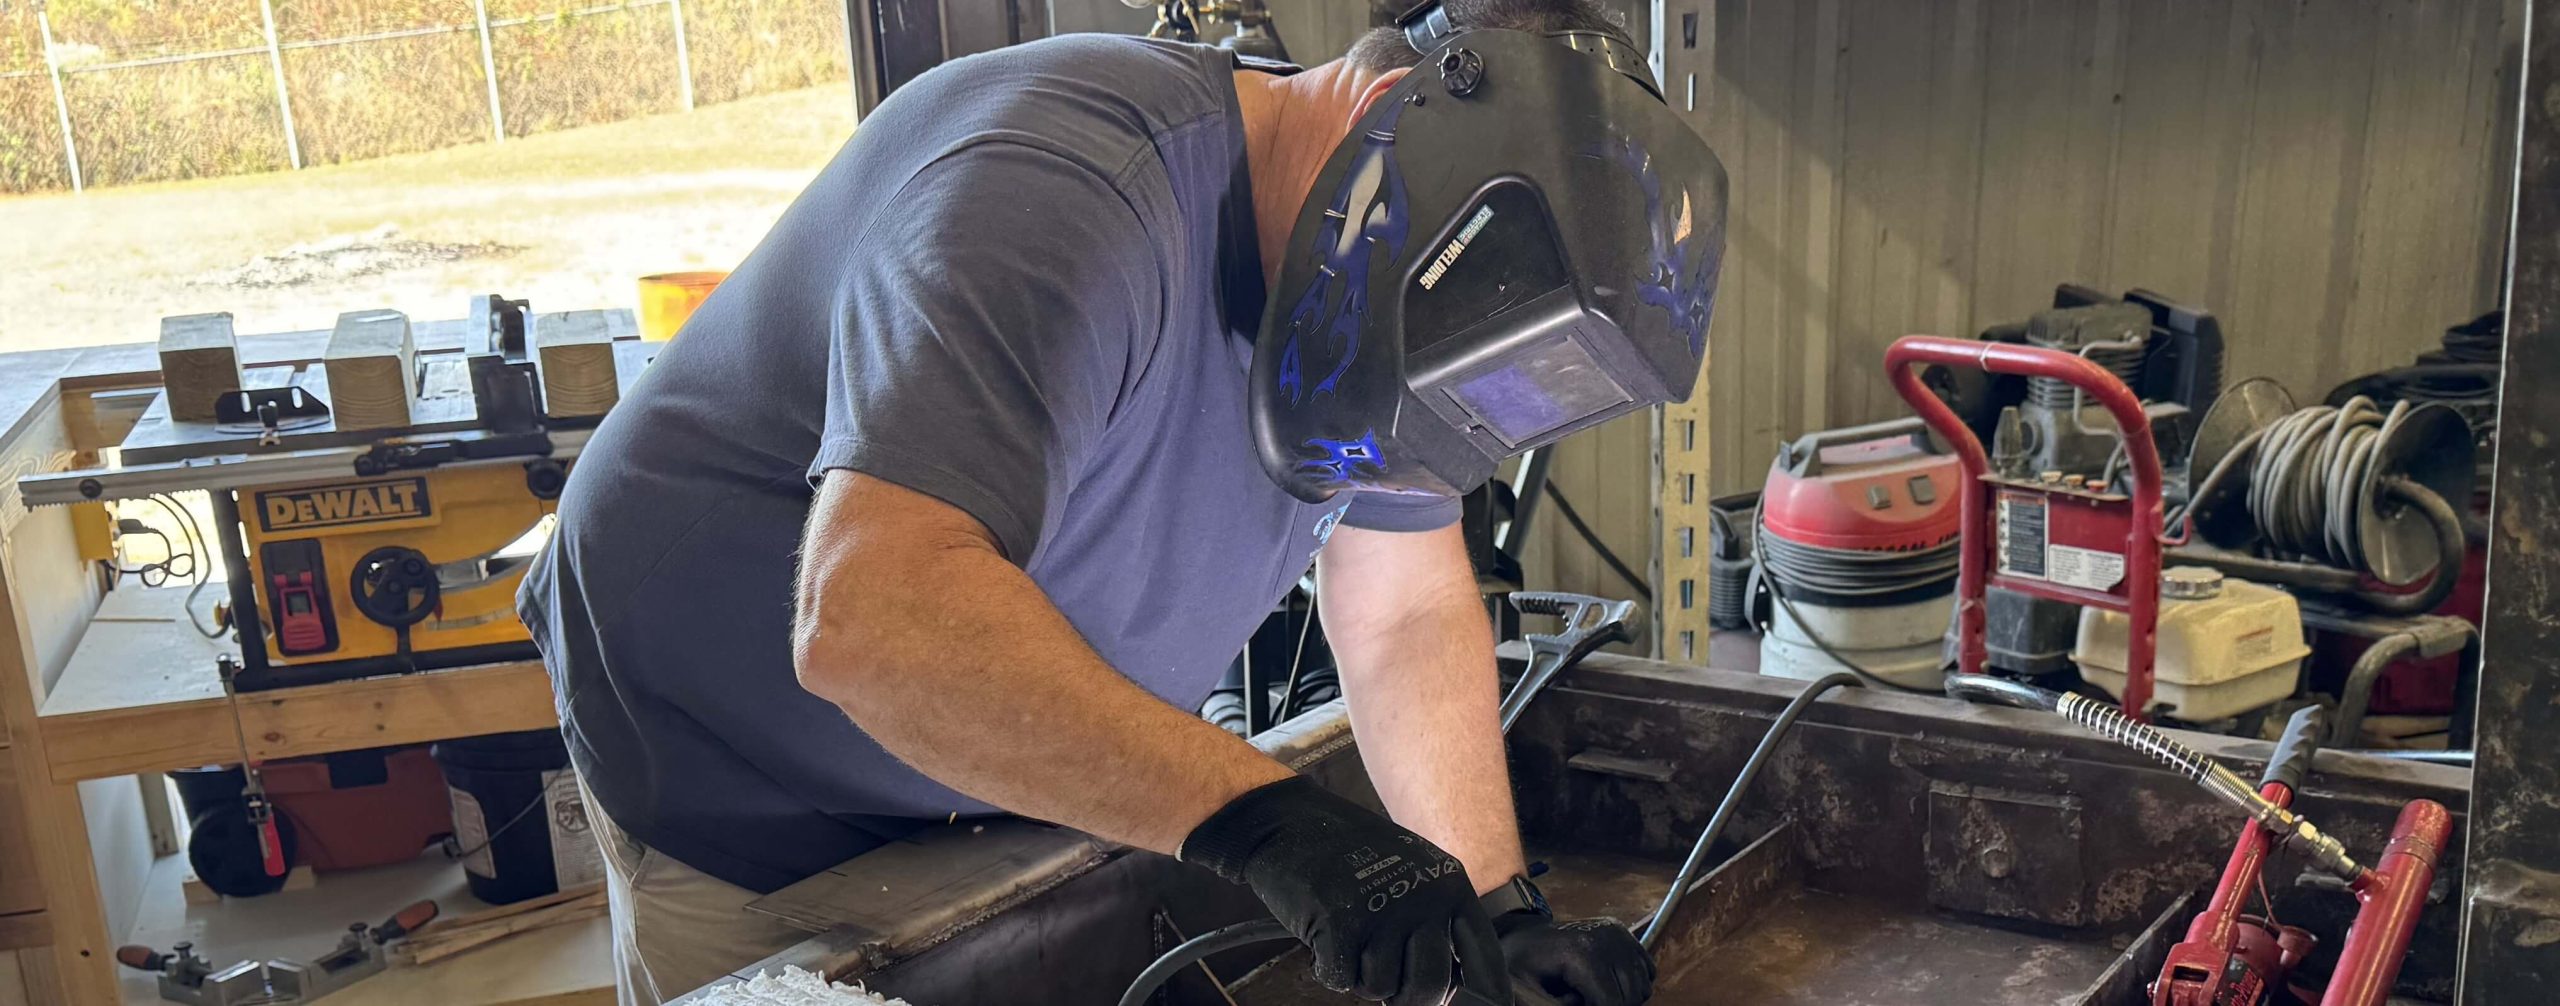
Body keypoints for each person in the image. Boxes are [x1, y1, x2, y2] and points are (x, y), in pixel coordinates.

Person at [519, 2, 1724, 1003]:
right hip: (742, 777)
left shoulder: (1383, 275)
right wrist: (1271, 823)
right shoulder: (1057, 192)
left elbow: (1402, 606)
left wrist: (1499, 914)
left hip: (1013, 770)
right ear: (1380, 115)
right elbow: (871, 619)